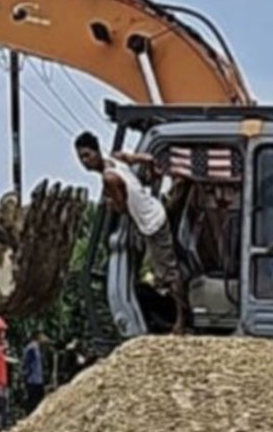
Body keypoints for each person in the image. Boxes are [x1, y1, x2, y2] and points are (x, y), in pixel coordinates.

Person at [74, 130, 188, 334]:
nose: (84, 162)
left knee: (168, 274)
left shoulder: (109, 179)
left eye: (87, 155)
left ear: (97, 151)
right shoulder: (117, 159)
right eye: (81, 158)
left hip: (151, 224)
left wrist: (110, 203)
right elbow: (147, 158)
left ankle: (181, 320)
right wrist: (153, 170)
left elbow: (121, 208)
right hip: (154, 209)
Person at [22, 332, 48, 415]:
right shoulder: (32, 348)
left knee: (39, 400)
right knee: (33, 400)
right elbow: (26, 363)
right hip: (32, 380)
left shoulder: (38, 348)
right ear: (38, 337)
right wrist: (26, 375)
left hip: (38, 379)